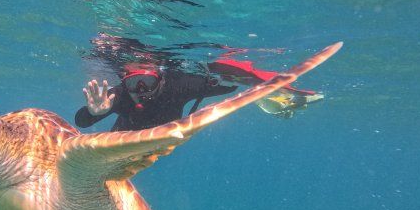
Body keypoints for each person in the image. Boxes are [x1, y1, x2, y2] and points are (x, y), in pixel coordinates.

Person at [75, 57, 324, 132]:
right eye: (134, 83)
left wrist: (262, 84)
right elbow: (82, 122)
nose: (141, 90)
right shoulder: (120, 96)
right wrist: (96, 112)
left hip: (167, 135)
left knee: (229, 82)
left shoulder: (179, 84)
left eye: (146, 82)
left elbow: (229, 85)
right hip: (125, 141)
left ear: (160, 77)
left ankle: (273, 99)